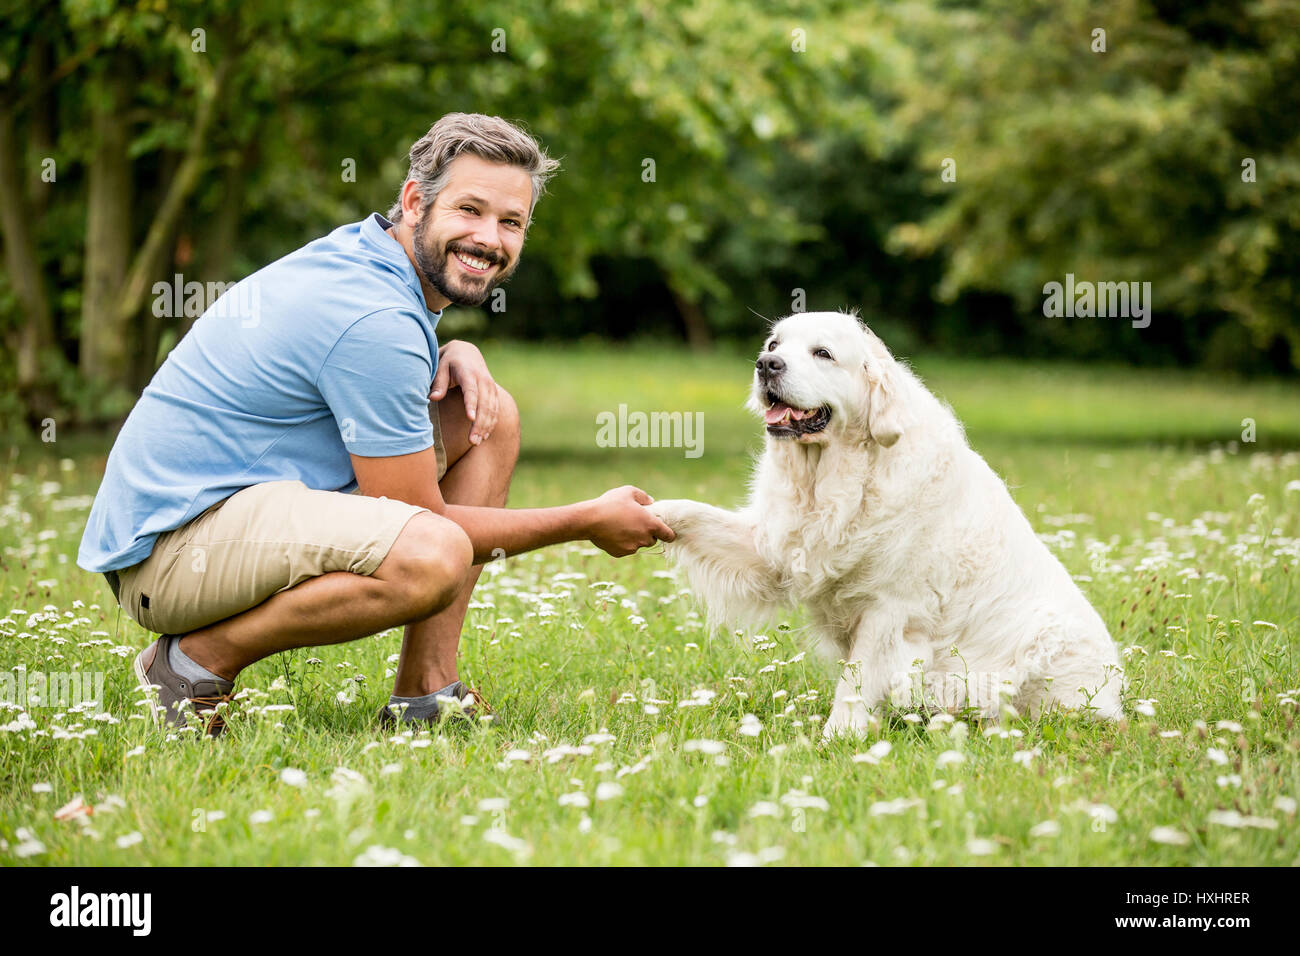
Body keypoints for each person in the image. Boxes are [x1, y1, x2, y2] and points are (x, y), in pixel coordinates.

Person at [76, 113, 674, 736]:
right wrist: (585, 520)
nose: (489, 238)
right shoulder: (375, 317)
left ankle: (426, 693)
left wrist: (453, 351)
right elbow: (423, 520)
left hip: (221, 513)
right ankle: (191, 665)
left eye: (511, 222)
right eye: (469, 210)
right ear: (416, 202)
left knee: (487, 418)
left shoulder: (371, 257)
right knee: (431, 553)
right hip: (170, 554)